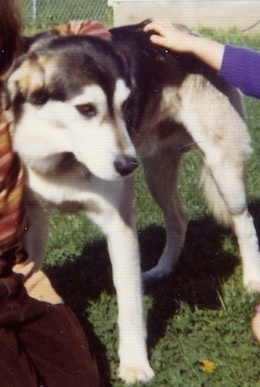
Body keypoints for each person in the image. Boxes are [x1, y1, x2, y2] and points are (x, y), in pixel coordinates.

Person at [0, 1, 112, 385]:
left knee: (79, 379)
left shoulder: (17, 68)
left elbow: (91, 32)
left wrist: (82, 39)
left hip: (16, 267)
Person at [144, 18, 260, 346]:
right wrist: (189, 43)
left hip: (197, 92)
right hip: (163, 91)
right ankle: (171, 250)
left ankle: (251, 250)